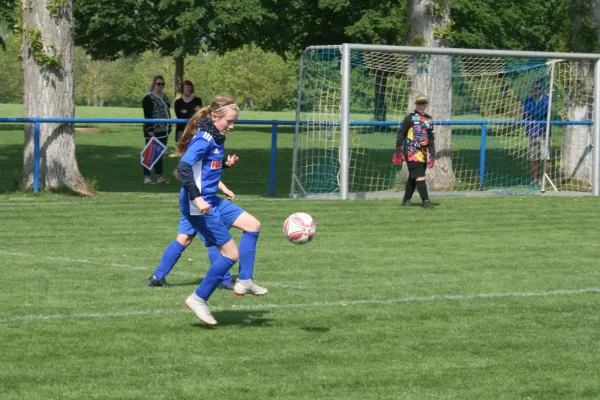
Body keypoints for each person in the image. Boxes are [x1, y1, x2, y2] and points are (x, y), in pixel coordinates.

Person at [175, 95, 267, 326]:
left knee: (253, 225)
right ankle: (198, 298)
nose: (232, 126)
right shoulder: (204, 138)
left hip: (211, 200)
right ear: (215, 116)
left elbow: (205, 166)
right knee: (230, 254)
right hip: (197, 204)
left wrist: (225, 164)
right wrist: (198, 198)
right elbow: (183, 168)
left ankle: (244, 280)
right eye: (229, 121)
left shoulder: (217, 136)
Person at [147, 158, 240, 290]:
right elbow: (201, 175)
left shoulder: (200, 150)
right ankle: (225, 280)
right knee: (215, 238)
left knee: (183, 239)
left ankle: (157, 277)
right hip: (197, 200)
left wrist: (224, 184)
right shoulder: (202, 146)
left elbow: (206, 174)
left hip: (190, 199)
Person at [392, 93, 435, 209]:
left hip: (423, 153)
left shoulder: (429, 119)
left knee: (413, 177)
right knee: (420, 176)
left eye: (423, 103)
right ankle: (426, 201)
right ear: (416, 104)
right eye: (419, 103)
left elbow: (431, 139)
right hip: (411, 151)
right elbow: (401, 133)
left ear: (426, 104)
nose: (421, 106)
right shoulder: (410, 117)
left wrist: (432, 153)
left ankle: (406, 201)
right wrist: (398, 149)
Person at [142, 75, 172, 184]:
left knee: (159, 154)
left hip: (164, 129)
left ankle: (160, 177)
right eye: (158, 84)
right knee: (150, 153)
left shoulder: (164, 96)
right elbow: (147, 114)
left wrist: (169, 125)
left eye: (162, 84)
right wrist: (150, 129)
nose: (161, 86)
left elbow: (167, 111)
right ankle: (147, 177)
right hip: (153, 130)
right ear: (154, 84)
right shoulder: (148, 97)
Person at [523, 81, 551, 184]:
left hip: (544, 133)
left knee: (546, 157)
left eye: (539, 88)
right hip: (531, 132)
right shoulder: (527, 101)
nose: (536, 90)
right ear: (532, 89)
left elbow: (543, 112)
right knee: (534, 158)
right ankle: (534, 179)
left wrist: (533, 113)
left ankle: (546, 180)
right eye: (534, 88)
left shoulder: (547, 100)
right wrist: (533, 114)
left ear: (542, 89)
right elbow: (525, 115)